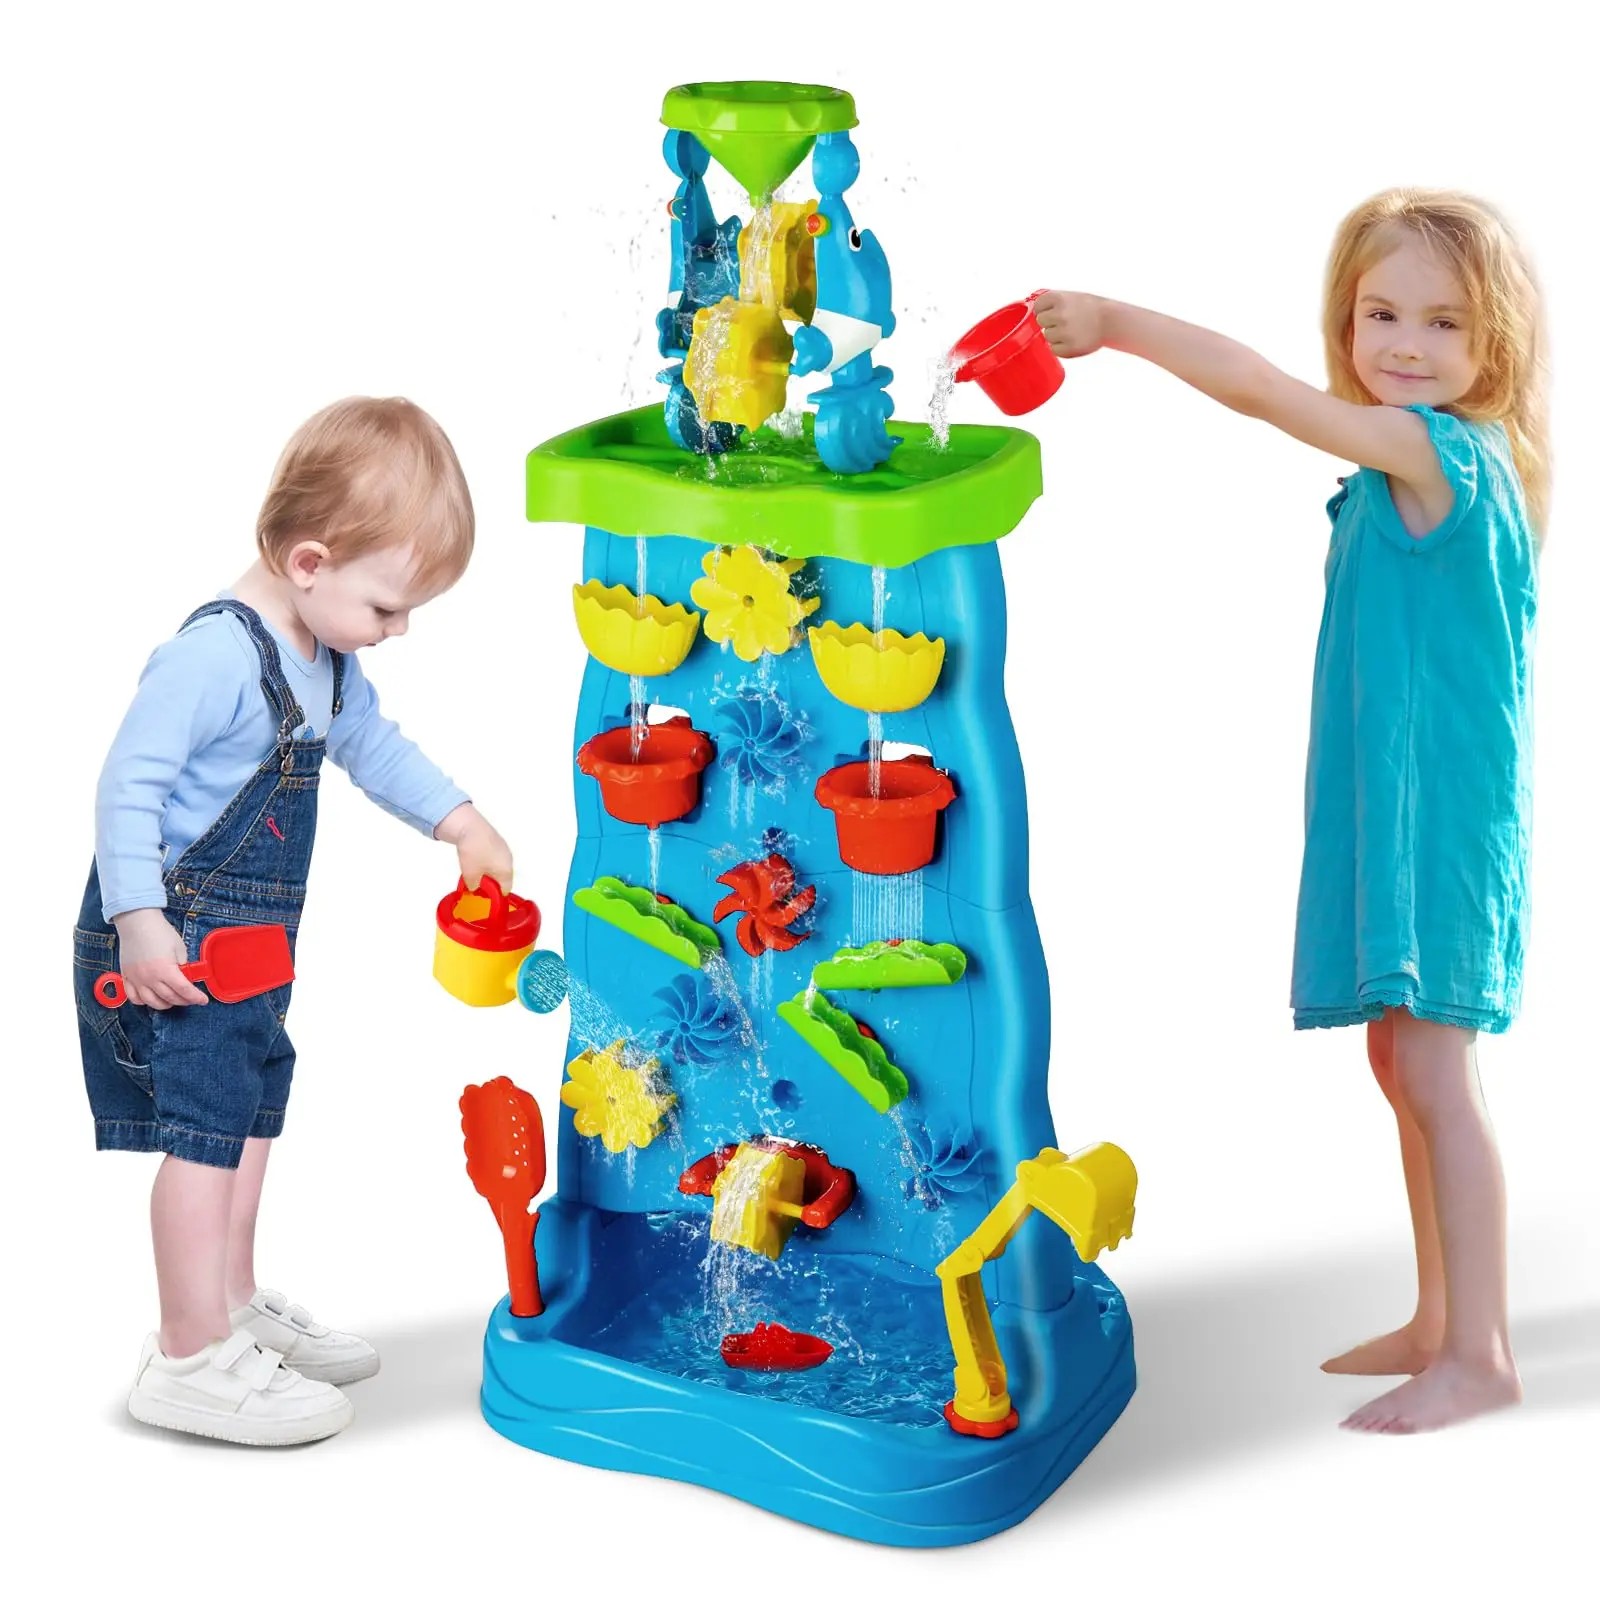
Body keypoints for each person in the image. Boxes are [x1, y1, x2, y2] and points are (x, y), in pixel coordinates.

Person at [1033, 188, 1548, 1433]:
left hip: (1441, 820)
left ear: (1493, 344)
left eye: (1443, 322)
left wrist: (1113, 323)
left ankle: (1479, 1352)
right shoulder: (1397, 463)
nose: (1406, 345)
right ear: (1348, 316)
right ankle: (1438, 1317)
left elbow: (1260, 389)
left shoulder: (1434, 453)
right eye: (1382, 314)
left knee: (1435, 1068)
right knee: (1398, 1058)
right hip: (1400, 805)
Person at [73, 396, 514, 1445]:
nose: (396, 631)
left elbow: (376, 750)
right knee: (203, 1135)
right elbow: (127, 786)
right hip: (174, 940)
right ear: (309, 562)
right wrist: (139, 918)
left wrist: (460, 821)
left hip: (252, 950)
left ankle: (229, 1304)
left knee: (251, 1111)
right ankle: (187, 1354)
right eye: (387, 607)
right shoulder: (216, 656)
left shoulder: (326, 658)